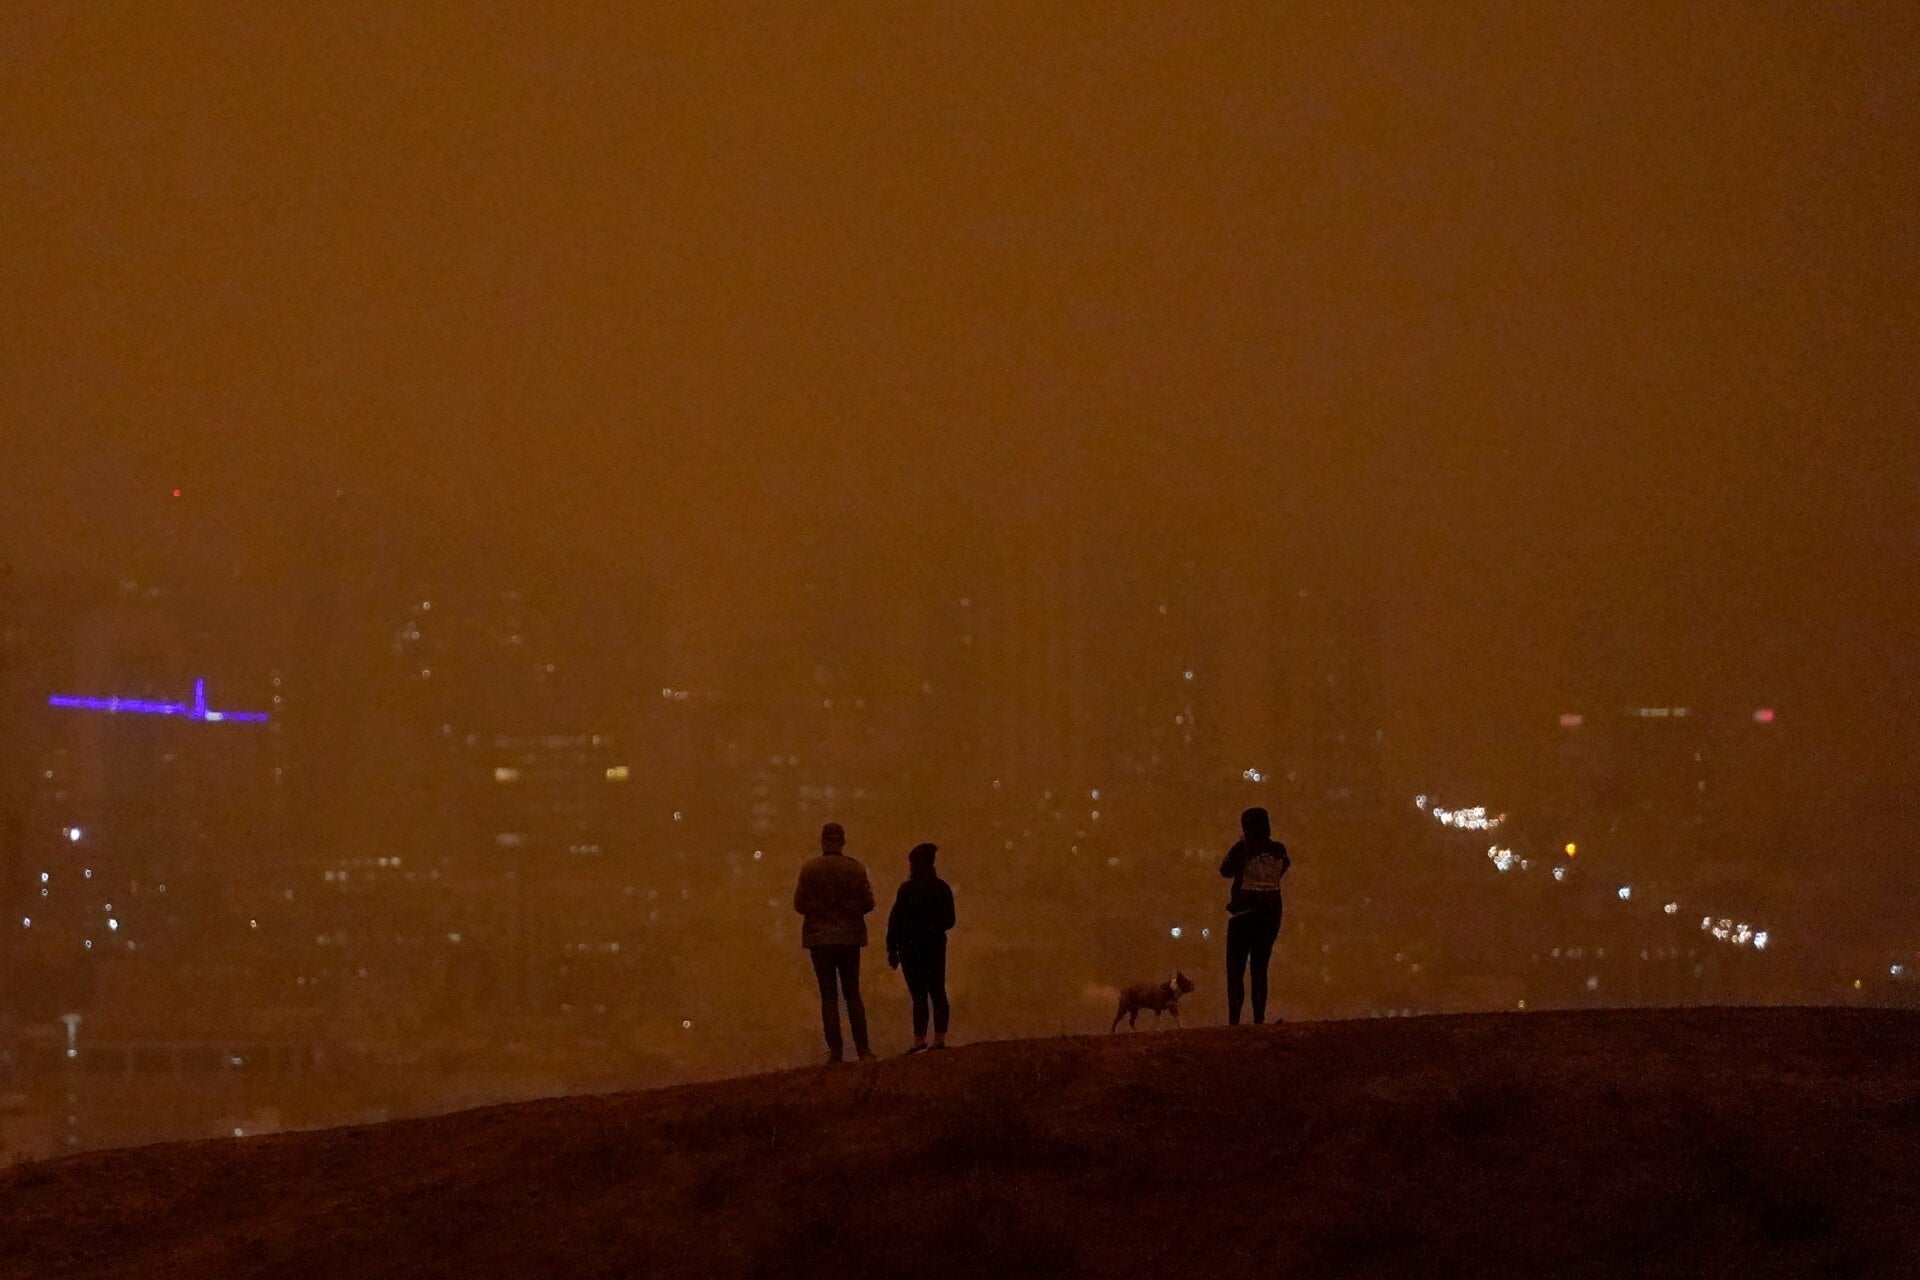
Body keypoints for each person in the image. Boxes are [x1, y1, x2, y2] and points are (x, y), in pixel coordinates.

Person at [792, 821, 876, 1062]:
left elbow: (799, 905)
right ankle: (863, 1049)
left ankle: (836, 1052)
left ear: (822, 840)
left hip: (819, 940)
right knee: (852, 993)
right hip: (849, 938)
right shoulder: (855, 869)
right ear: (842, 841)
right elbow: (868, 903)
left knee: (828, 996)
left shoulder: (809, 869)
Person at [1219, 806, 1289, 1025]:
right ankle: (1259, 1018)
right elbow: (1284, 866)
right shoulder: (1278, 850)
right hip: (1270, 917)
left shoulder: (1243, 849)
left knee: (1235, 969)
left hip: (1243, 916)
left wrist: (1240, 843)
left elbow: (1225, 870)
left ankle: (1235, 1020)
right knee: (1260, 969)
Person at [885, 842, 955, 1053]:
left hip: (910, 948)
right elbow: (950, 920)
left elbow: (894, 921)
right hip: (934, 946)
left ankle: (919, 1039)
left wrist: (892, 948)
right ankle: (939, 1038)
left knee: (918, 994)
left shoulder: (906, 890)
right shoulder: (942, 888)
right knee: (937, 990)